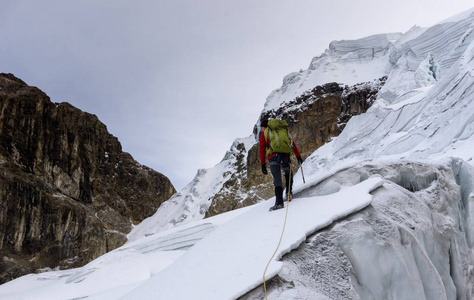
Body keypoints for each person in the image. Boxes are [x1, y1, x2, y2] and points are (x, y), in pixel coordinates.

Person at [259, 118, 304, 211]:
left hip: (273, 157)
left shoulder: (265, 133)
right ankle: (289, 193)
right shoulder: (283, 130)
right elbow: (292, 143)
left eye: (261, 128)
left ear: (264, 127)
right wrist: (298, 156)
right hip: (285, 155)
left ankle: (279, 203)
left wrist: (263, 164)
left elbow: (262, 149)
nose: (261, 130)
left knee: (277, 179)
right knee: (288, 173)